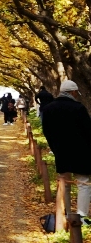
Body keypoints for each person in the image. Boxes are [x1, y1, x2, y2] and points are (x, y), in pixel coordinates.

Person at [42, 80, 91, 220]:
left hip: (61, 151)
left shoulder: (49, 108)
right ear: (73, 92)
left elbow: (47, 131)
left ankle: (66, 214)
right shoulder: (78, 108)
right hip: (81, 151)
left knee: (64, 182)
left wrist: (54, 147)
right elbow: (88, 131)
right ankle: (81, 216)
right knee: (83, 183)